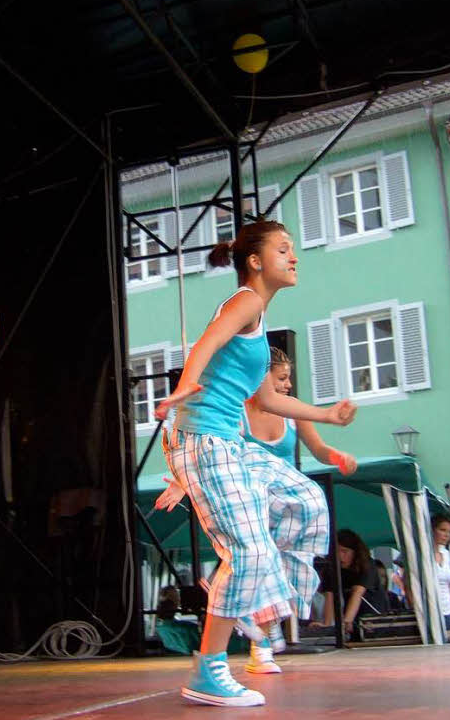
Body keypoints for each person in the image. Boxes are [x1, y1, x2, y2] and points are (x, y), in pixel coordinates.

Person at [153, 220, 356, 707]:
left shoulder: (260, 324)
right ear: (255, 262)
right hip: (204, 438)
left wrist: (324, 414)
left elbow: (267, 400)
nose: (295, 256)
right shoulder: (244, 301)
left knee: (306, 499)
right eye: (284, 249)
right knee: (247, 552)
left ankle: (258, 601)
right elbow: (204, 343)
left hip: (227, 442)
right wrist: (186, 384)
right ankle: (211, 667)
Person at [155, 346, 358, 676]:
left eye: (288, 379)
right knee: (255, 559)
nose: (288, 385)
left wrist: (337, 457)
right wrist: (183, 482)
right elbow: (211, 455)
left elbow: (319, 449)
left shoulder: (289, 411)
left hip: (282, 499)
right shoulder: (236, 411)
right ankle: (258, 645)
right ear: (260, 378)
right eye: (281, 378)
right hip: (249, 492)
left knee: (302, 518)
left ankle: (262, 639)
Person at [431, 515, 450, 641]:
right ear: (433, 530)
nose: (446, 535)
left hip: (448, 610)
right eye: (442, 530)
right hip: (432, 610)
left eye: (449, 532)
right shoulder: (425, 555)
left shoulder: (447, 555)